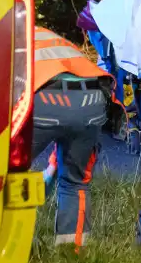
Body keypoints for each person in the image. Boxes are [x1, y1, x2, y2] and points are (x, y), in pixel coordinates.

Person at [32, 27, 114, 250]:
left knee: (1, 175)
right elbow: (68, 117)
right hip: (93, 98)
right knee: (75, 182)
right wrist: (52, 169)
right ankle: (71, 253)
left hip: (43, 97)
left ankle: (11, 247)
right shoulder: (48, 35)